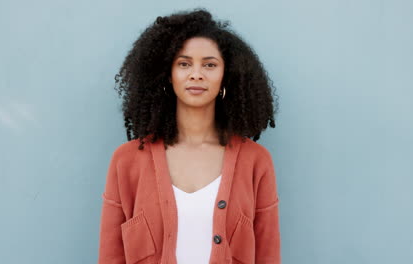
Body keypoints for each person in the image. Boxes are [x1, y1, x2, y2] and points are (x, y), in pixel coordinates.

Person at [98, 8, 281, 264]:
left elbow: (268, 255)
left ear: (225, 76)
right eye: (184, 64)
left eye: (209, 64)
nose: (197, 74)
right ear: (167, 76)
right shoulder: (126, 161)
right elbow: (110, 256)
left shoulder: (256, 161)